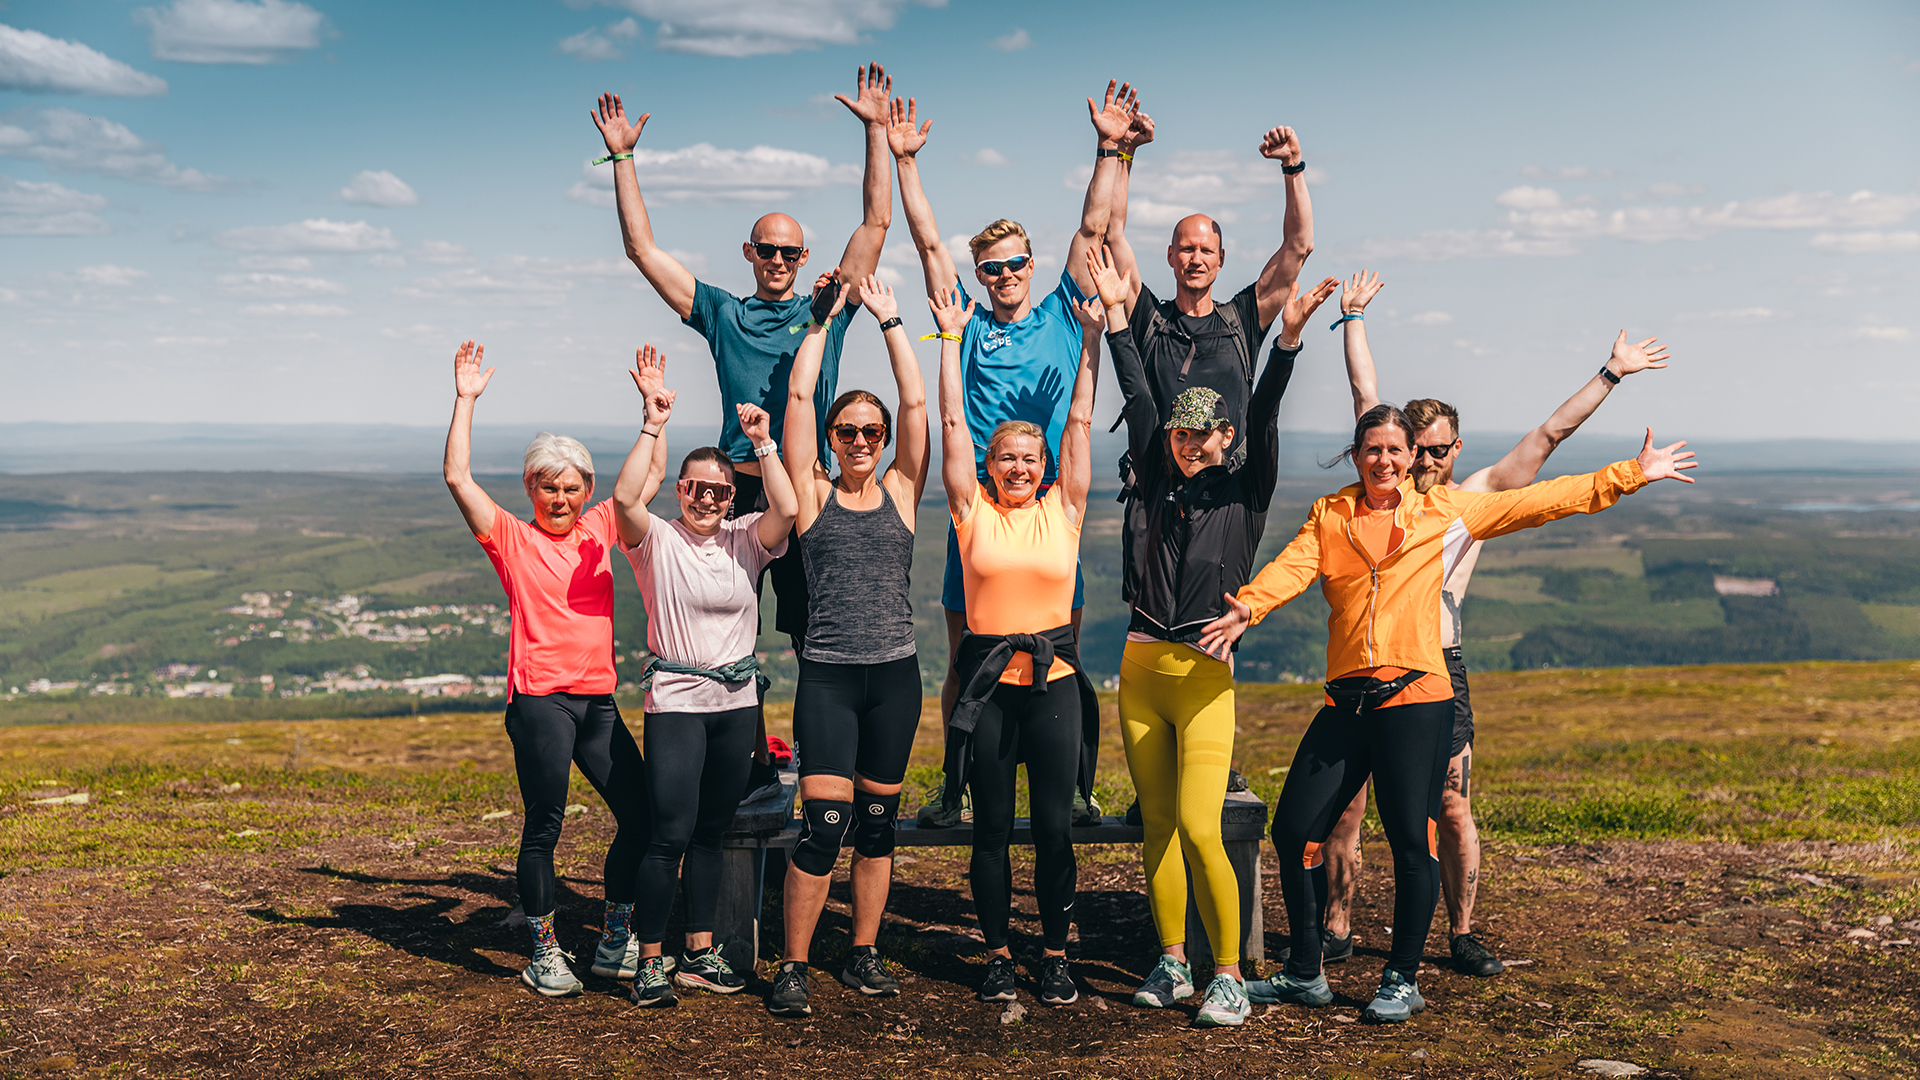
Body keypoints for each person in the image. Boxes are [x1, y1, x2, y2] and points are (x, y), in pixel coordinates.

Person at [1200, 407, 1696, 1022]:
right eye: (1372, 450)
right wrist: (1249, 607)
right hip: (1347, 702)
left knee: (1412, 840)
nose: (1384, 460)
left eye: (1395, 451)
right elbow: (1293, 567)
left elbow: (1542, 501)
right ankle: (1306, 971)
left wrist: (1632, 473)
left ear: (1412, 458)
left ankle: (1401, 977)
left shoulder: (1444, 513)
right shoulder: (1330, 515)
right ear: (1355, 456)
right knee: (1293, 831)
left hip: (1418, 700)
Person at [1312, 271, 1675, 980]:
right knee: (1348, 807)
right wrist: (1351, 319)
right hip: (1369, 662)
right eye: (1419, 447)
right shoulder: (1377, 496)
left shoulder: (1471, 499)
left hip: (1440, 663)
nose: (1429, 460)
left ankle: (1462, 933)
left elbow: (1548, 436)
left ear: (1456, 448)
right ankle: (1335, 927)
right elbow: (1365, 400)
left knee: (1451, 804)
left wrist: (1612, 373)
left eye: (1443, 447)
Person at [1085, 244, 1337, 1026]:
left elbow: (1264, 410)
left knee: (1200, 824)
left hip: (1202, 673)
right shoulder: (1154, 473)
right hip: (1140, 664)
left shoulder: (1246, 491)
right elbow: (1135, 383)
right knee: (1158, 825)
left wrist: (1287, 341)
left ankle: (1226, 973)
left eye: (1206, 434)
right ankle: (1170, 964)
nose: (1193, 444)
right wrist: (1118, 322)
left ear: (1226, 437)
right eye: (1182, 435)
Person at [888, 81, 1138, 828]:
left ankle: (1078, 786)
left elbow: (1094, 226)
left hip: (1053, 506)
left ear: (1032, 263)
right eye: (991, 267)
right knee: (966, 658)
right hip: (978, 509)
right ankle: (957, 785)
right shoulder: (962, 318)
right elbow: (931, 245)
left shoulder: (1065, 307)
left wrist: (1108, 147)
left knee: (1062, 654)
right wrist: (905, 163)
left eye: (1014, 263)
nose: (1003, 277)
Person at [589, 64, 893, 652]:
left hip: (805, 487)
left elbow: (876, 222)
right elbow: (641, 250)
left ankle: (809, 747)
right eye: (768, 249)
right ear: (750, 252)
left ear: (804, 256)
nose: (778, 260)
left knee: (816, 629)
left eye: (789, 251)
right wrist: (622, 161)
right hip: (733, 495)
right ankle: (748, 748)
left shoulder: (826, 311)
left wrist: (876, 130)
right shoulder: (724, 313)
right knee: (727, 629)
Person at [441, 339, 653, 998]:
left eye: (570, 488)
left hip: (596, 703)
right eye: (547, 487)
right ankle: (544, 950)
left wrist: (654, 415)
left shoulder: (599, 528)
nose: (559, 498)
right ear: (529, 487)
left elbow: (638, 485)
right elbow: (456, 479)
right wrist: (465, 401)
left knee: (641, 814)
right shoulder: (511, 537)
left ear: (584, 490)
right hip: (538, 702)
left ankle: (616, 935)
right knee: (545, 824)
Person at [611, 349, 799, 1007]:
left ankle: (699, 952)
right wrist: (653, 422)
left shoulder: (747, 537)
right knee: (669, 834)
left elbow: (790, 506)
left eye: (719, 490)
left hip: (736, 702)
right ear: (680, 491)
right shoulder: (655, 541)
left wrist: (764, 445)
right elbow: (622, 497)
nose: (708, 498)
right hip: (678, 703)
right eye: (695, 488)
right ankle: (651, 961)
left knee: (712, 832)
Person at [765, 273, 931, 1019]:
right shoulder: (812, 495)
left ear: (885, 441)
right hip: (829, 676)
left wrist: (893, 321)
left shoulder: (901, 490)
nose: (860, 441)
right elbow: (797, 400)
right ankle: (795, 965)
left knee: (877, 826)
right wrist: (824, 322)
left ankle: (863, 952)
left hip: (894, 677)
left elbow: (919, 403)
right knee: (823, 826)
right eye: (848, 432)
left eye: (872, 431)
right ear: (831, 441)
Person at [933, 275, 1102, 1007]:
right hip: (988, 692)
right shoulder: (972, 512)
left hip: (1054, 683)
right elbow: (947, 421)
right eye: (1007, 459)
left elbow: (1083, 423)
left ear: (1045, 470)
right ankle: (999, 952)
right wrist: (947, 341)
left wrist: (1091, 340)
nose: (1020, 469)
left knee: (1057, 832)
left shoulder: (1063, 508)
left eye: (1031, 460)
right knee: (993, 832)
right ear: (988, 467)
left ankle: (1056, 954)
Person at [1103, 116, 1316, 463]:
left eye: (1206, 251)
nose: (1196, 259)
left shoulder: (1243, 320)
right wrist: (1125, 153)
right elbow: (1112, 234)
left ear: (1221, 259)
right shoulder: (1149, 319)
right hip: (1156, 497)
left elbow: (1299, 245)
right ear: (1171, 256)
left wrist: (1293, 166)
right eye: (1187, 249)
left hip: (1227, 496)